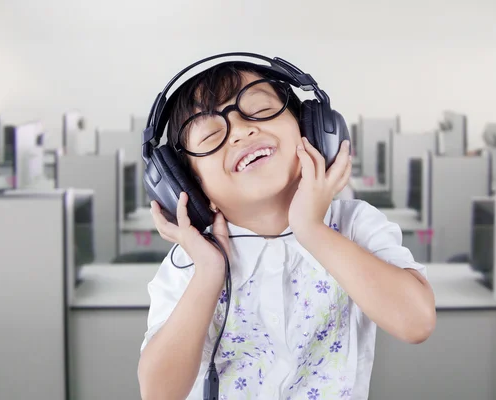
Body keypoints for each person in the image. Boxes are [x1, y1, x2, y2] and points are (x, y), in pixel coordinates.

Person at [137, 58, 436, 400]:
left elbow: (416, 322)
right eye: (211, 134)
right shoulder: (189, 263)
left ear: (312, 132)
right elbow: (159, 393)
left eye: (260, 109)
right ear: (188, 187)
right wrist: (209, 273)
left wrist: (311, 229)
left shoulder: (355, 225)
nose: (240, 130)